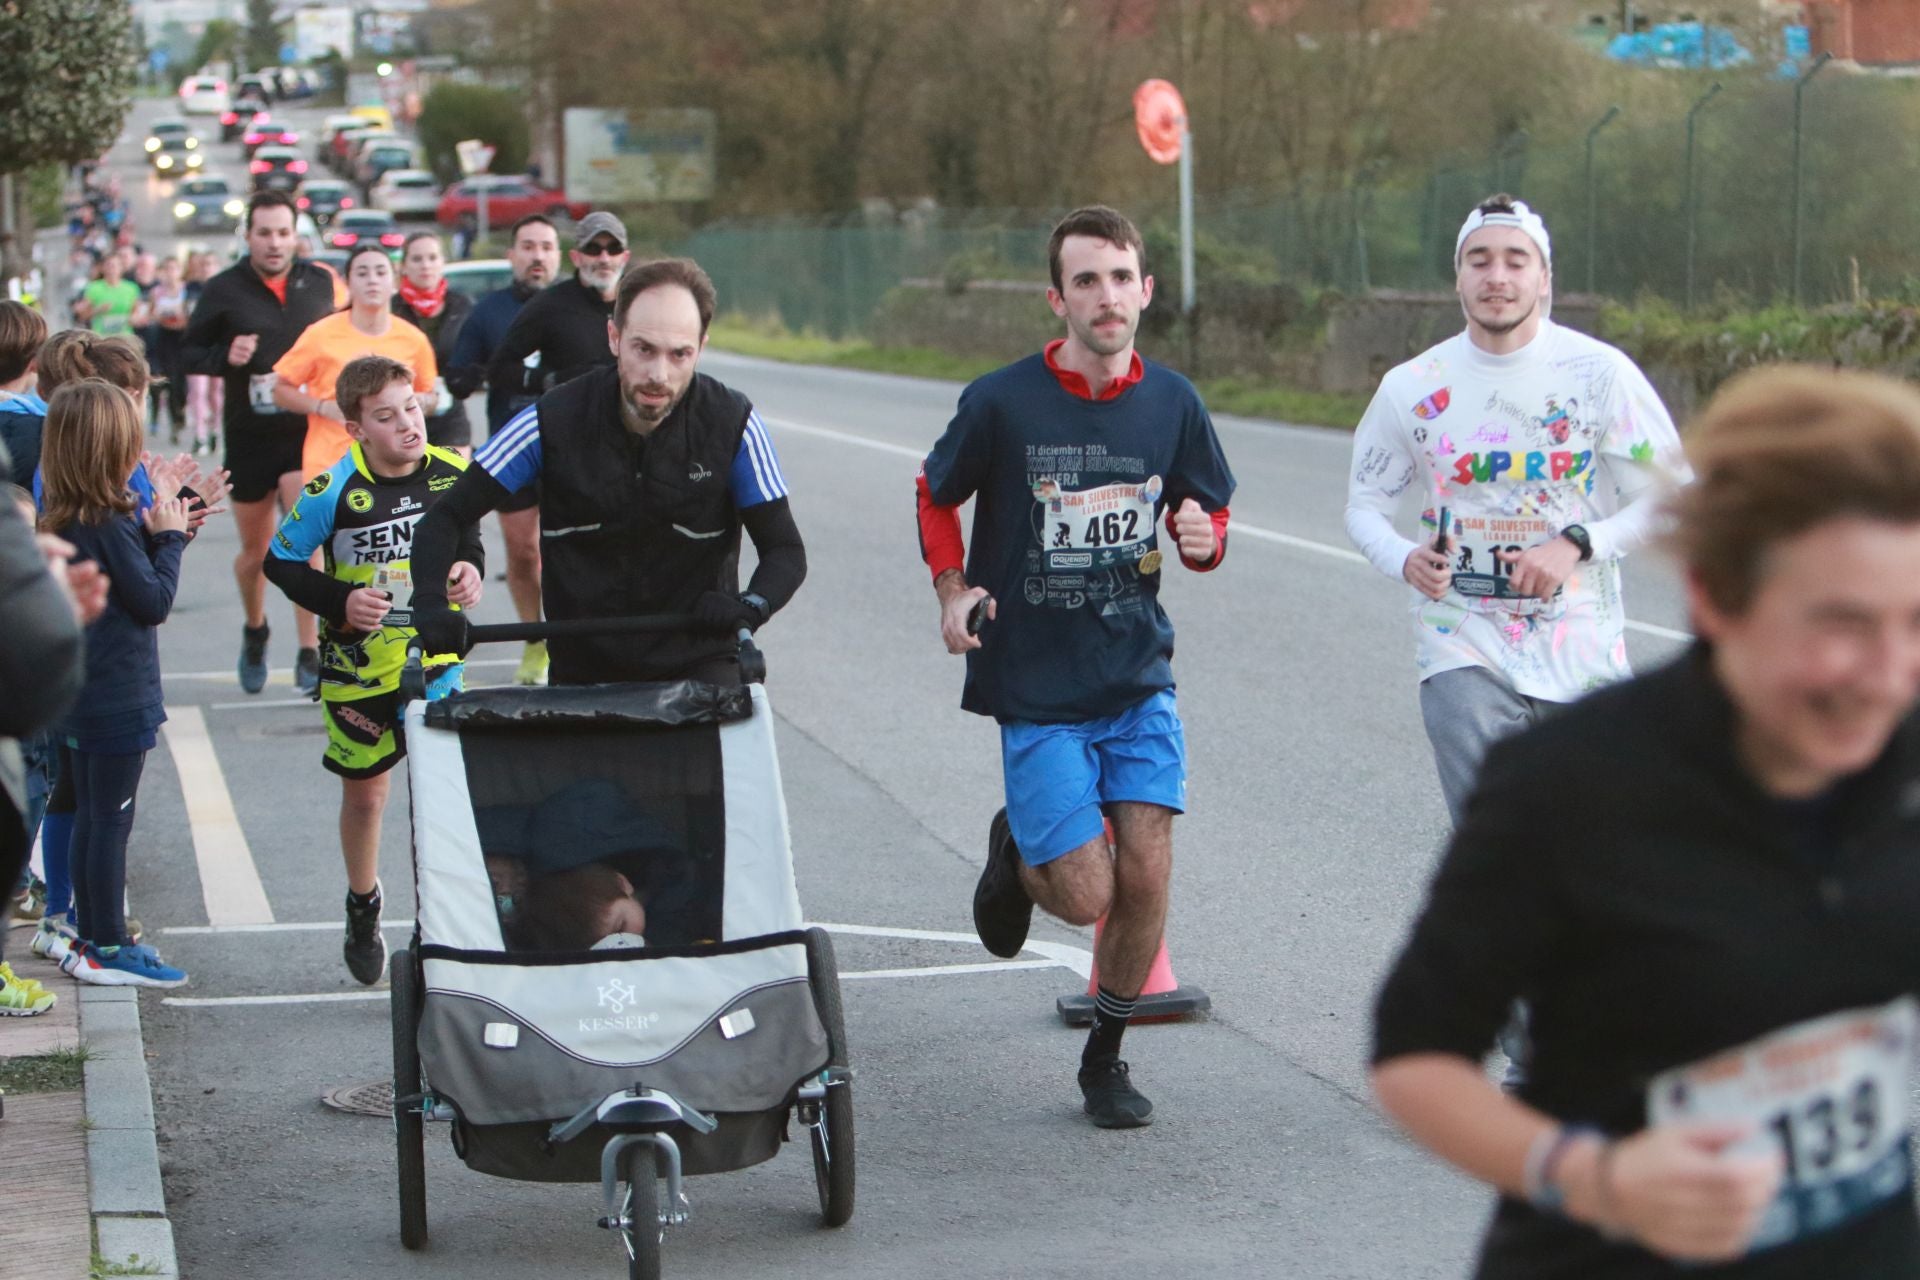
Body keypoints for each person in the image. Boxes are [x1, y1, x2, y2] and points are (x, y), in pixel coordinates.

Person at [1372, 364, 1920, 1277]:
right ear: (1714, 597)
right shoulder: (1569, 786)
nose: (1887, 673)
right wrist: (1596, 1177)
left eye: (1916, 622)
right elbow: (1413, 1056)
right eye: (1842, 624)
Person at [916, 205, 1234, 1130]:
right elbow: (936, 495)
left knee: (1147, 870)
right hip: (1038, 684)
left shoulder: (1173, 403)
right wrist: (951, 589)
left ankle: (1107, 1056)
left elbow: (1207, 525)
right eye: (1086, 280)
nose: (1106, 295)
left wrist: (1203, 539)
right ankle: (1018, 851)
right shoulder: (1003, 401)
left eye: (1120, 277)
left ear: (1145, 290)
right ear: (1058, 298)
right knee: (1086, 890)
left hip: (1136, 673)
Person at [1344, 194, 1690, 826]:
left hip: (1582, 647)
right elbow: (1365, 506)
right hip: (1460, 642)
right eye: (1479, 260)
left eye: (1514, 260)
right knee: (1497, 839)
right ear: (1458, 276)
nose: (1496, 277)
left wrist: (1577, 544)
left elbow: (1669, 498)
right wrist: (1406, 560)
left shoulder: (1599, 375)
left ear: (1544, 277)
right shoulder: (1413, 386)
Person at [409, 256, 806, 685]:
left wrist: (751, 605)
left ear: (702, 347)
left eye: (680, 354)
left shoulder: (734, 422)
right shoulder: (550, 419)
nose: (659, 374)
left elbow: (785, 550)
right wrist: (431, 604)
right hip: (583, 670)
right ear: (614, 337)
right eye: (644, 349)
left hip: (700, 664)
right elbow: (447, 515)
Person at [263, 355, 482, 984]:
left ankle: (450, 919)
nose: (408, 424)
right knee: (368, 798)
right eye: (386, 417)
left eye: (411, 407)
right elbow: (282, 563)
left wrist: (468, 568)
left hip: (436, 661)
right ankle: (364, 904)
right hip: (359, 671)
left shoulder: (453, 472)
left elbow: (466, 536)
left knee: (443, 795)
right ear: (357, 429)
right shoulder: (332, 489)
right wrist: (341, 602)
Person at [39, 380, 196, 988]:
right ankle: (106, 943)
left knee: (86, 813)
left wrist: (159, 526)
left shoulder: (66, 510)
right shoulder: (107, 520)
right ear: (113, 447)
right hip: (117, 691)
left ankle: (87, 932)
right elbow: (152, 600)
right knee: (111, 820)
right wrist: (170, 538)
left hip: (79, 687)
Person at [182, 190, 338, 695]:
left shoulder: (319, 283)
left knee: (303, 541)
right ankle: (255, 629)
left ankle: (310, 649)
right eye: (264, 233)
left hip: (303, 435)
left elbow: (345, 338)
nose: (274, 242)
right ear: (248, 236)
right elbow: (185, 352)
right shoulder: (224, 289)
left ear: (298, 235)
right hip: (249, 434)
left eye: (283, 232)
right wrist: (226, 354)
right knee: (256, 552)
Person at [444, 214, 561, 685]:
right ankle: (536, 641)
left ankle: (570, 641)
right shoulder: (489, 311)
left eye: (546, 247)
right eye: (528, 246)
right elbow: (458, 374)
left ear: (559, 256)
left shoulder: (578, 306)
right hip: (511, 447)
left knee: (569, 550)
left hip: (570, 448)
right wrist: (472, 374)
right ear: (511, 255)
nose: (537, 255)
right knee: (523, 551)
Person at [271, 244, 437, 483]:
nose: (372, 280)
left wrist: (424, 401)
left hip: (394, 470)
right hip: (331, 465)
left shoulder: (414, 339)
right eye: (362, 273)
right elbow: (279, 389)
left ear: (395, 283)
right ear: (347, 282)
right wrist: (321, 407)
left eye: (380, 272)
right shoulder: (320, 334)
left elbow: (430, 396)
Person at [389, 231, 475, 456]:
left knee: (455, 482)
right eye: (417, 259)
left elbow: (479, 353)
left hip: (449, 412)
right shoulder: (390, 309)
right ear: (404, 266)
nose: (425, 265)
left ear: (442, 263)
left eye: (432, 258)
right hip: (398, 414)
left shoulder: (462, 305)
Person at [182, 252, 224, 455]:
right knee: (197, 392)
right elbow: (182, 312)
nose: (206, 268)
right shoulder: (191, 289)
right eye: (204, 264)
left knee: (215, 393)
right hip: (195, 347)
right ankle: (200, 436)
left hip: (216, 347)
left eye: (210, 264)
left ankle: (215, 429)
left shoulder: (225, 290)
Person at [147, 255, 190, 443]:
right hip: (162, 340)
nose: (170, 273)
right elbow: (150, 314)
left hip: (182, 341)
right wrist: (159, 316)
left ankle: (180, 415)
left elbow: (190, 316)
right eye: (167, 269)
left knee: (180, 385)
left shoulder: (186, 291)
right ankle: (171, 422)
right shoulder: (157, 292)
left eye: (174, 269)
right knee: (164, 382)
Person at [72, 252, 141, 338]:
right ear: (102, 268)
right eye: (108, 265)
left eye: (115, 265)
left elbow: (136, 311)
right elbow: (82, 316)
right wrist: (97, 310)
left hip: (125, 336)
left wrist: (134, 318)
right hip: (101, 337)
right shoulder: (94, 288)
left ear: (122, 268)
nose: (112, 269)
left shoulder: (131, 288)